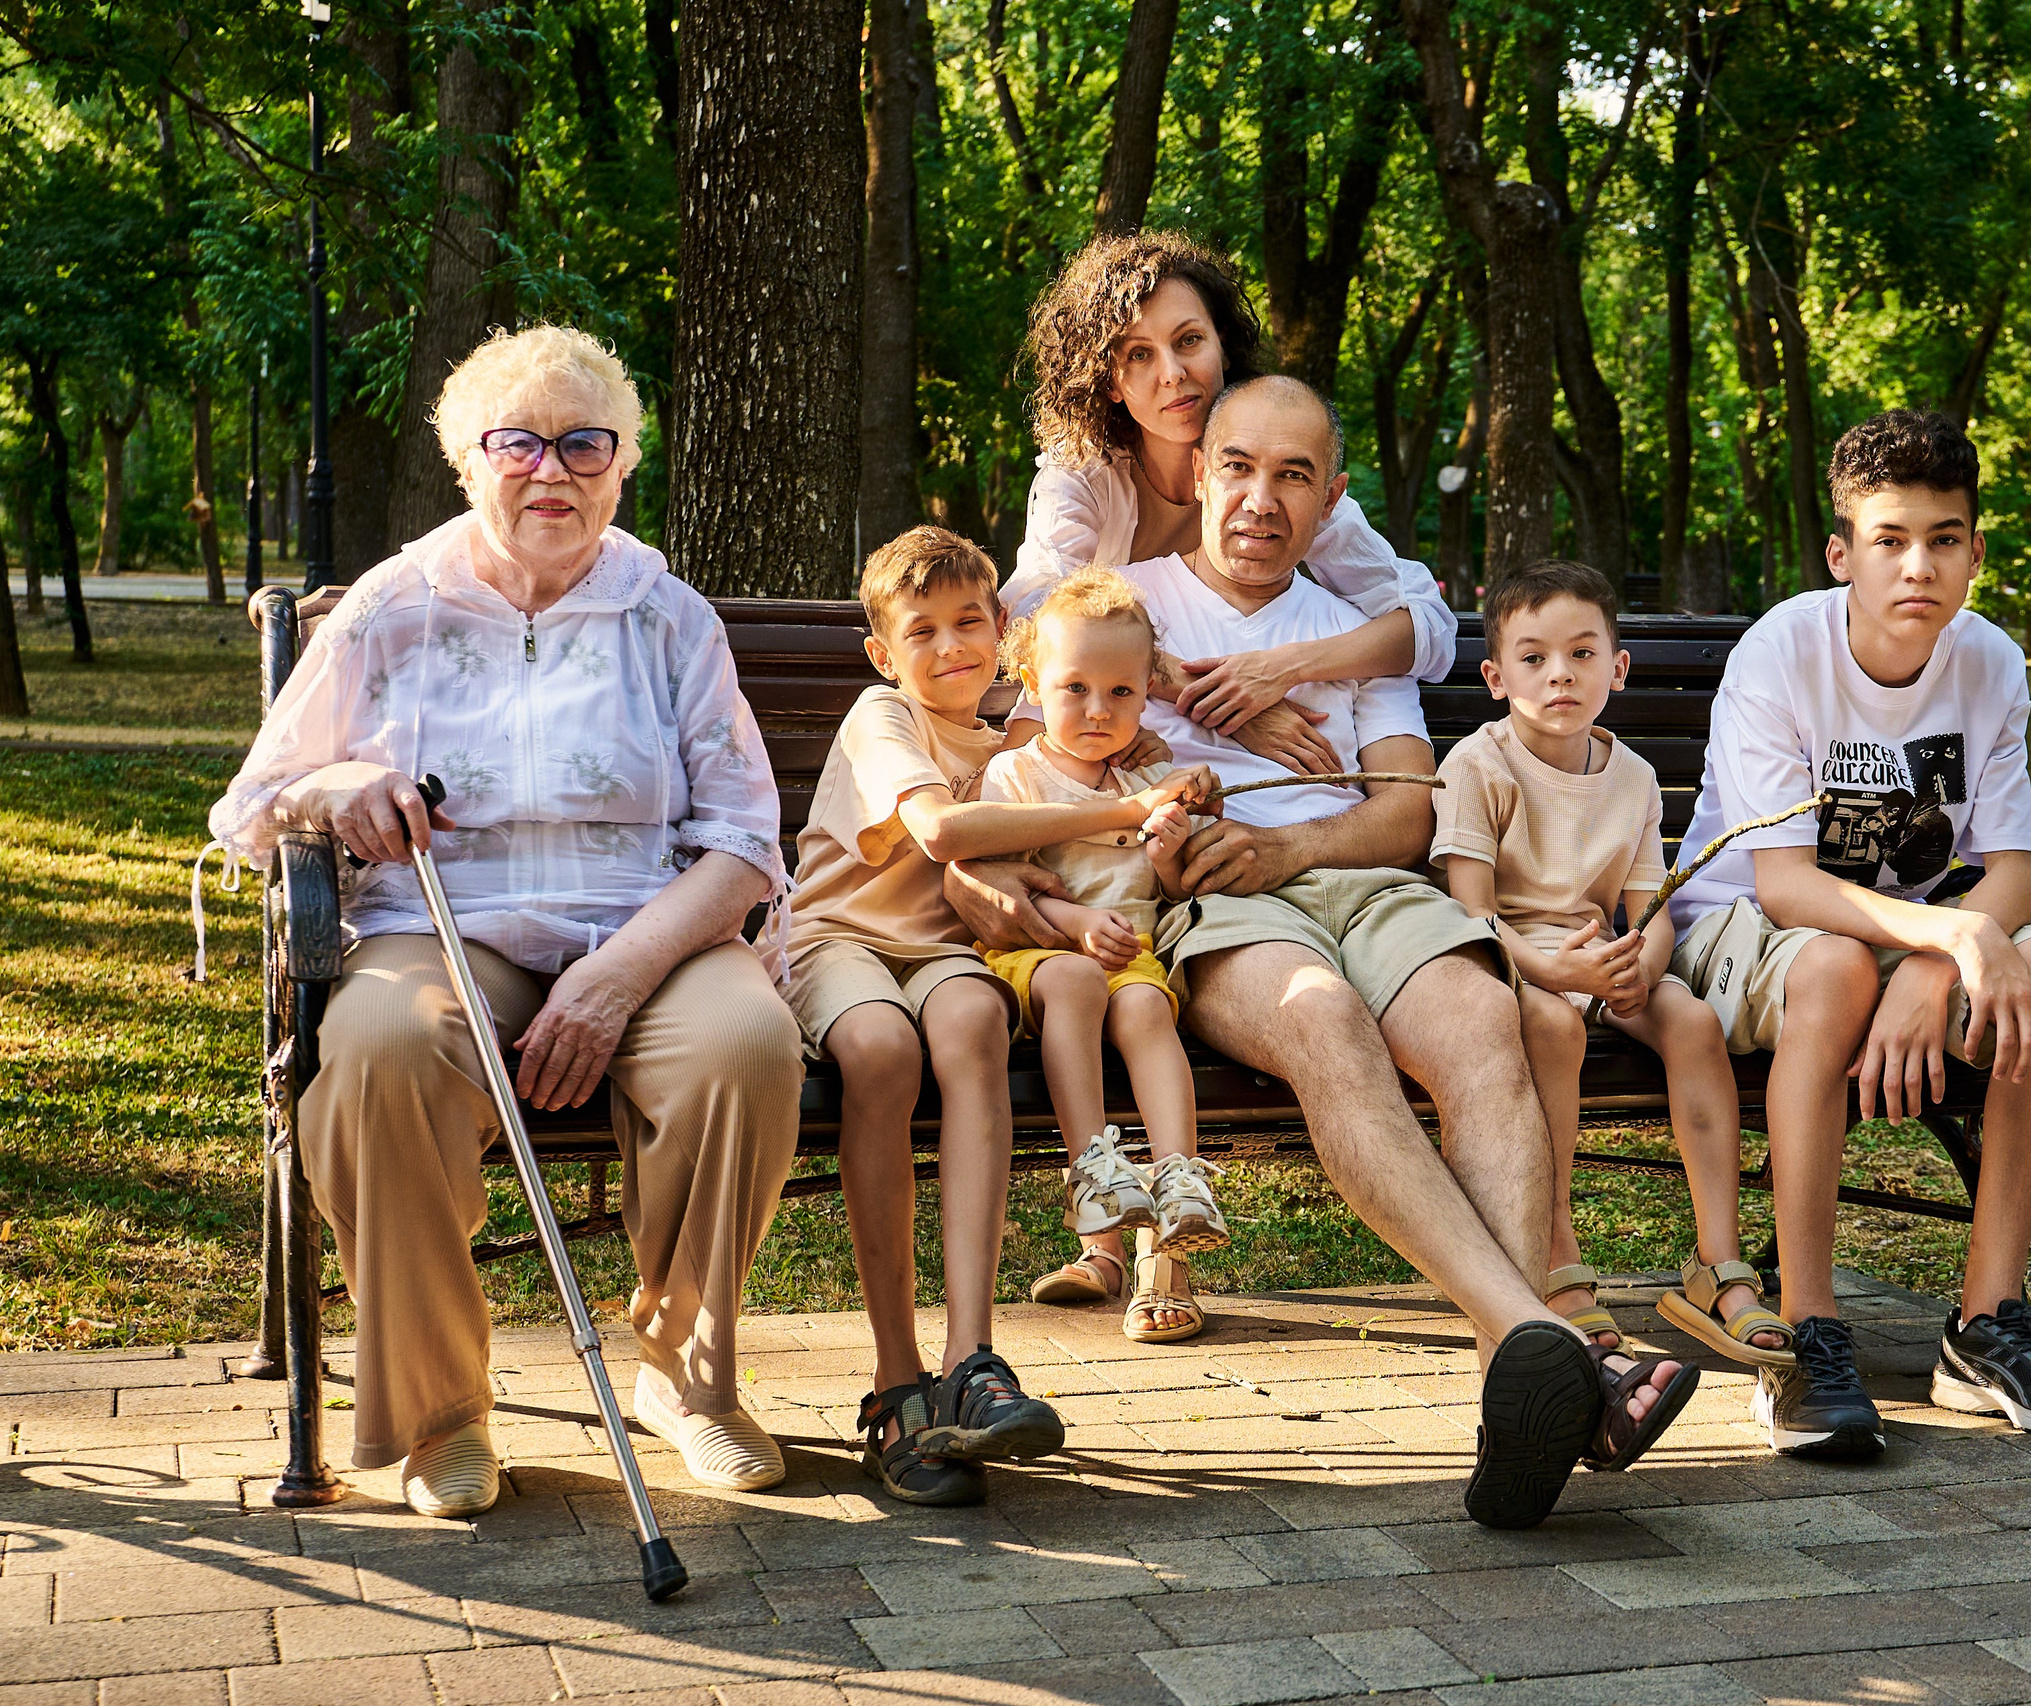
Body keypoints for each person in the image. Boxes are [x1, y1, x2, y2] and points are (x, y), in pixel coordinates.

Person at [951, 374, 1698, 1531]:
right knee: (1324, 1019)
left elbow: (1406, 807)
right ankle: (1545, 1351)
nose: (1260, 497)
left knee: (1482, 1026)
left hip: (1357, 879)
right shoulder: (1121, 605)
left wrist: (1291, 839)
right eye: (1239, 466)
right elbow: (1030, 768)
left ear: (1329, 496)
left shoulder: (1345, 627)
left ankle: (1529, 1379)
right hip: (1216, 909)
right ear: (1200, 473)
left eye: (1293, 475)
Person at [210, 325, 804, 1518]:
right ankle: (445, 1413)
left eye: (586, 444)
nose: (554, 471)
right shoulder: (390, 608)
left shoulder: (668, 616)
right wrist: (336, 791)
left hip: (645, 929)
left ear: (624, 463)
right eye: (519, 443)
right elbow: (255, 807)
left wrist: (617, 976)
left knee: (743, 1042)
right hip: (439, 925)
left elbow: (743, 842)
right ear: (466, 461)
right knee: (375, 1054)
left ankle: (686, 1381)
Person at [1664, 408, 2031, 1460]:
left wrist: (1938, 955)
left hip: (1892, 932)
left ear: (1972, 549)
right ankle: (1809, 1333)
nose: (1917, 563)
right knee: (1832, 964)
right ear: (1842, 553)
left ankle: (1983, 1324)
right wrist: (1942, 941)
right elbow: (1785, 887)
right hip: (1740, 929)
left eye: (1943, 537)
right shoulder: (1783, 648)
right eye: (1889, 538)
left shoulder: (1989, 661)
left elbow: (2013, 866)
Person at [780, 527, 1203, 1506]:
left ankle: (972, 1359)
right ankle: (897, 1384)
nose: (949, 646)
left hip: (946, 959)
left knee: (972, 1024)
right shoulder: (881, 714)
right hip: (837, 945)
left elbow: (1025, 864)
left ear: (1001, 629)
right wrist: (1118, 814)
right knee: (882, 1051)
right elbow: (940, 829)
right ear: (886, 653)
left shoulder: (1029, 742)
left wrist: (1165, 784)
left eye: (968, 621)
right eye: (920, 630)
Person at [1434, 560, 1792, 1372]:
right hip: (1510, 962)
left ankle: (1716, 1264)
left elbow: (1651, 898)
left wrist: (1640, 963)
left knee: (1693, 1019)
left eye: (1582, 654)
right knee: (1555, 1026)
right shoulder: (1479, 767)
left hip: (1604, 959)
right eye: (1533, 658)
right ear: (1495, 676)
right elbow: (1470, 911)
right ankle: (1556, 1254)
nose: (1559, 673)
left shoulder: (1631, 775)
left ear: (1616, 668)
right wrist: (1557, 971)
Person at [1010, 229, 1457, 778]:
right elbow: (1035, 616)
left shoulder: (1286, 488)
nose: (1172, 373)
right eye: (1140, 355)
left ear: (1222, 343)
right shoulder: (1084, 474)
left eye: (1189, 340)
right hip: (1118, 732)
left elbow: (1428, 629)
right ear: (1110, 384)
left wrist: (1278, 670)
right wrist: (1225, 706)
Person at [981, 568, 1229, 1343]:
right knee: (1083, 982)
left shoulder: (1150, 779)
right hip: (1039, 954)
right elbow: (1009, 887)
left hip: (1133, 953)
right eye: (1076, 688)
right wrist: (1076, 923)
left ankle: (1179, 1184)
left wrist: (1172, 845)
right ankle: (1097, 1216)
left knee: (1148, 1003)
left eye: (1121, 693)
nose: (1098, 710)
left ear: (1147, 692)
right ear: (1032, 683)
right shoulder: (1015, 774)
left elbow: (1170, 884)